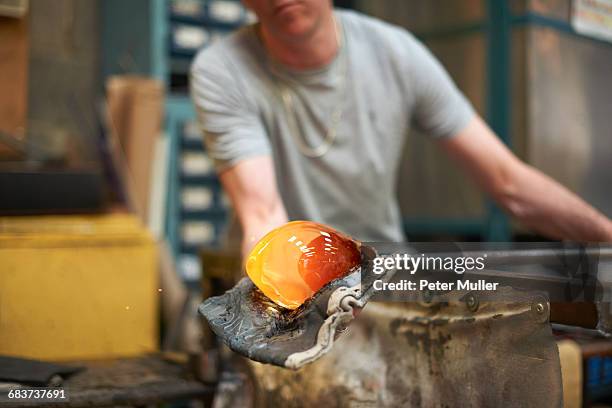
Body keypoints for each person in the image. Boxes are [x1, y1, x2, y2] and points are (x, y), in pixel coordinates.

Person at [190, 0, 612, 257]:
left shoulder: (396, 54)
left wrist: (605, 236)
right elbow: (262, 215)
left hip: (381, 278)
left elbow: (508, 182)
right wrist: (288, 297)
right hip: (288, 284)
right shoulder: (223, 69)